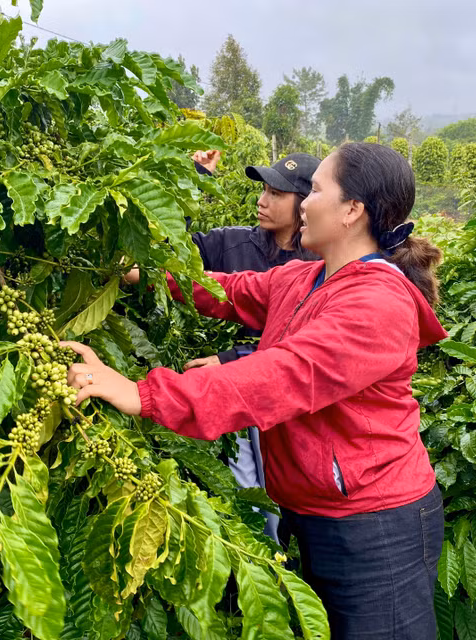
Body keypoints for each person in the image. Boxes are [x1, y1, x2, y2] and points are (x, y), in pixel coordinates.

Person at [62, 142, 447, 639]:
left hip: (376, 526)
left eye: (314, 190)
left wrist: (144, 394)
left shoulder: (377, 303)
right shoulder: (306, 277)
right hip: (314, 510)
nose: (304, 202)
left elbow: (278, 377)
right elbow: (227, 288)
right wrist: (146, 275)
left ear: (352, 210)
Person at [186, 149, 320, 541]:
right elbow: (171, 246)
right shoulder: (233, 244)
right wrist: (196, 176)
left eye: (277, 194)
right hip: (241, 391)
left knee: (291, 482)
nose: (262, 201)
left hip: (288, 391)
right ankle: (263, 555)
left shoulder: (321, 262)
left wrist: (229, 359)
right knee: (248, 481)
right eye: (262, 190)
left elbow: (302, 346)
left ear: (305, 204)